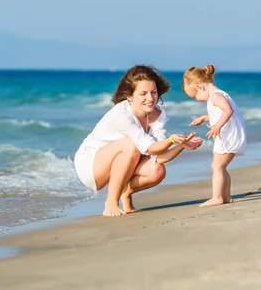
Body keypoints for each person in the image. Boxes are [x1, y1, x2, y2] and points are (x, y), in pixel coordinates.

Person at [74, 65, 203, 217]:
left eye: (153, 92)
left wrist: (181, 144)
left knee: (157, 171)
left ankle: (125, 193)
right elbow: (150, 147)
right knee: (131, 144)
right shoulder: (121, 115)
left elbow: (159, 156)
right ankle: (111, 203)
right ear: (129, 96)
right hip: (91, 165)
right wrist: (171, 140)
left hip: (125, 158)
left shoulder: (159, 115)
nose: (150, 98)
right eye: (143, 94)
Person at [182, 64, 246, 207]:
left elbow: (228, 111)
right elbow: (220, 112)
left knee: (217, 167)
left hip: (228, 137)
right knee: (219, 167)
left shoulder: (215, 96)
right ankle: (226, 196)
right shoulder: (219, 94)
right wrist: (204, 118)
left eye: (195, 96)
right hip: (231, 136)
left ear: (199, 87)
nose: (198, 99)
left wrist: (217, 126)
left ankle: (217, 197)